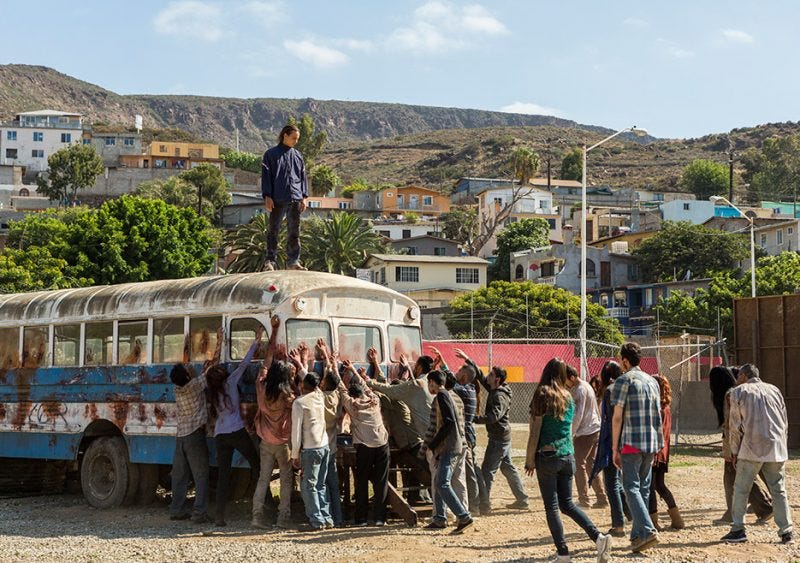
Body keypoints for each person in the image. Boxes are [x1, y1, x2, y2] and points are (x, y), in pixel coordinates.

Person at [525, 358, 612, 563]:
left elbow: (535, 431)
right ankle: (599, 537)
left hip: (547, 456)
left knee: (552, 507)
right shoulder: (568, 396)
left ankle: (563, 553)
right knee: (568, 504)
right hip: (567, 456)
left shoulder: (543, 393)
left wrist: (530, 460)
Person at [721, 364, 793, 544]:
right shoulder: (774, 390)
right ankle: (786, 531)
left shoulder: (739, 392)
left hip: (751, 447)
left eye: (738, 376)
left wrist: (734, 451)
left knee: (741, 489)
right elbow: (784, 421)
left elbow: (735, 425)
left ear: (744, 375)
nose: (736, 379)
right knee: (779, 490)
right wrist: (783, 445)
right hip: (776, 448)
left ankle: (738, 529)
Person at [206, 327, 264, 527]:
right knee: (257, 464)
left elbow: (210, 370)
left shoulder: (211, 391)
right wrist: (257, 340)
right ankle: (264, 506)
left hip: (220, 435)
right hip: (236, 431)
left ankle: (219, 516)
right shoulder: (231, 382)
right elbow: (244, 363)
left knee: (223, 475)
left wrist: (219, 341)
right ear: (223, 376)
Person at [459, 349, 529, 513]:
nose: (487, 377)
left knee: (487, 471)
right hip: (502, 437)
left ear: (497, 379)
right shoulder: (496, 389)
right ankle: (523, 500)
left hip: (499, 439)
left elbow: (493, 416)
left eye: (491, 375)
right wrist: (469, 359)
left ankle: (484, 505)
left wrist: (474, 418)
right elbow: (482, 377)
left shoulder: (499, 395)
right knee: (508, 468)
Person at [611, 342, 663, 553]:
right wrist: (659, 442)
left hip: (631, 443)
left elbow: (617, 418)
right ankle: (637, 536)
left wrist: (614, 448)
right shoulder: (652, 381)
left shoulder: (624, 380)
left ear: (625, 360)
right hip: (651, 443)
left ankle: (648, 531)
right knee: (641, 488)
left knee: (630, 487)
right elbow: (658, 414)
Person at [168, 330, 222, 524]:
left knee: (180, 475)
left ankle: (177, 509)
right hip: (194, 436)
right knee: (201, 475)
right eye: (188, 370)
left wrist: (186, 345)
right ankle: (199, 512)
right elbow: (213, 367)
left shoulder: (178, 389)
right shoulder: (195, 386)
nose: (191, 368)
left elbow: (185, 369)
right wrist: (220, 341)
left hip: (181, 436)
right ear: (188, 376)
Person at [367, 354, 435, 503]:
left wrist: (366, 381)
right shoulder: (424, 385)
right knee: (420, 471)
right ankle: (417, 497)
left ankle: (424, 498)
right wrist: (377, 364)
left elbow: (387, 391)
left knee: (426, 472)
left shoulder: (398, 400)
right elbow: (390, 386)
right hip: (419, 438)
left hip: (412, 443)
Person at [709, 365, 772, 524]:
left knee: (737, 474)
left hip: (739, 442)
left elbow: (734, 424)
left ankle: (762, 508)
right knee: (736, 475)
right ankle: (740, 511)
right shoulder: (736, 392)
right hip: (754, 439)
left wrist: (733, 449)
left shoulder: (731, 395)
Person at [431, 346, 488, 516]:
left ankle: (475, 507)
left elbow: (448, 380)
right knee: (467, 473)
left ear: (463, 376)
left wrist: (443, 364)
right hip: (468, 436)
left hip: (465, 437)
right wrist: (466, 359)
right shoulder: (470, 389)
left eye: (458, 372)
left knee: (469, 473)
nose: (454, 373)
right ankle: (476, 504)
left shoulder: (463, 390)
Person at [252, 317, 296, 530]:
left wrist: (274, 330)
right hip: (283, 442)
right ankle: (283, 519)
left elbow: (267, 358)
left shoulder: (261, 387)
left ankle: (257, 517)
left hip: (265, 441)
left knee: (263, 479)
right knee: (286, 481)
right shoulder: (287, 396)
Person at [338, 359, 390, 526]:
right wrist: (353, 369)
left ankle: (361, 518)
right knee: (381, 482)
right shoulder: (374, 400)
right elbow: (365, 386)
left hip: (365, 447)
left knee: (361, 481)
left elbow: (341, 389)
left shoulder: (353, 406)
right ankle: (380, 518)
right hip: (382, 444)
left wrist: (332, 367)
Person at [424, 369, 474, 534]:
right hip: (452, 445)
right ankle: (439, 518)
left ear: (432, 382)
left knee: (442, 483)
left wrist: (433, 445)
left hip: (450, 446)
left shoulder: (441, 395)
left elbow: (448, 422)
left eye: (428, 383)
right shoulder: (450, 395)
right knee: (440, 479)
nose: (428, 386)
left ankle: (464, 516)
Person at [589, 361, 630, 538]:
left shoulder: (610, 391)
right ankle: (631, 515)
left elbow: (611, 420)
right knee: (617, 482)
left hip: (613, 441)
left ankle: (618, 525)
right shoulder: (623, 387)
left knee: (611, 483)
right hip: (626, 439)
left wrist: (611, 446)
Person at [261, 124, 308, 271]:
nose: (296, 141)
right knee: (273, 230)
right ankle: (270, 262)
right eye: (293, 138)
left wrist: (304, 197)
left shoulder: (298, 156)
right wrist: (267, 196)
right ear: (285, 136)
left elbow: (302, 177)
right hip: (277, 198)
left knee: (294, 231)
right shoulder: (270, 154)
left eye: (297, 139)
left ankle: (293, 262)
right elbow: (266, 177)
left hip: (295, 198)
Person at [291, 370, 332, 530]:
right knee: (321, 485)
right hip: (324, 445)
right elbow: (312, 381)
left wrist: (295, 454)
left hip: (310, 448)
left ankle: (316, 521)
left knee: (309, 486)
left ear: (302, 384)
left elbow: (296, 432)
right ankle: (326, 518)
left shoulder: (299, 403)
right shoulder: (320, 396)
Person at [564, 365, 607, 509]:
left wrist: (570, 433)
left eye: (566, 379)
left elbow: (578, 415)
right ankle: (601, 498)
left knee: (578, 464)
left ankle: (584, 500)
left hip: (586, 432)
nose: (565, 383)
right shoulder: (584, 387)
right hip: (594, 429)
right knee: (590, 464)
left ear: (571, 377)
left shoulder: (580, 390)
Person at [648, 375, 684, 530]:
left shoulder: (656, 408)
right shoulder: (666, 407)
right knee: (660, 485)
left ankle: (653, 522)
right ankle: (677, 520)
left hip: (655, 452)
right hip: (663, 451)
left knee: (651, 486)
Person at [316, 340, 344, 528]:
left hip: (320, 446)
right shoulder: (337, 396)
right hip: (332, 448)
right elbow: (334, 380)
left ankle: (326, 517)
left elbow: (307, 377)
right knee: (333, 485)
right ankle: (338, 517)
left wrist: (326, 358)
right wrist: (329, 359)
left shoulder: (319, 397)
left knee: (320, 484)